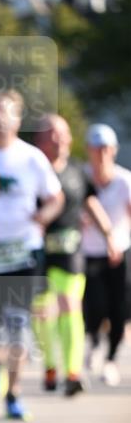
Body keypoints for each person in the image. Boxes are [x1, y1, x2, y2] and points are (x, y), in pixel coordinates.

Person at [0, 91, 64, 420]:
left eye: (6, 113)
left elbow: (55, 197)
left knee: (19, 323)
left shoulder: (31, 158)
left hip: (24, 252)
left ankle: (13, 393)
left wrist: (43, 217)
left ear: (18, 119)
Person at [33, 115, 114, 395]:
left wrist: (109, 236)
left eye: (64, 133)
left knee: (70, 305)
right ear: (40, 140)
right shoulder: (33, 169)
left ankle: (73, 372)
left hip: (70, 250)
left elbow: (91, 204)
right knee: (42, 314)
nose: (61, 140)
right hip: (38, 253)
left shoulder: (78, 171)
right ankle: (50, 366)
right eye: (53, 134)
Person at [81, 123, 130, 386]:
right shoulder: (83, 178)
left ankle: (111, 358)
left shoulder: (124, 180)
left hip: (118, 252)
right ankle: (95, 342)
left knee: (118, 307)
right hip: (88, 252)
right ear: (88, 150)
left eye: (106, 149)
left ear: (113, 150)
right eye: (96, 149)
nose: (101, 154)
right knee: (93, 305)